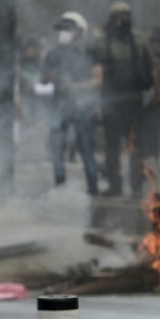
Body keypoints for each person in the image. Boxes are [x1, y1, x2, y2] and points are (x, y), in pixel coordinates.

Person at [91, 1, 160, 197]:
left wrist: (157, 94)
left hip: (133, 101)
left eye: (127, 15)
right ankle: (116, 186)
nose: (124, 19)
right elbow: (95, 72)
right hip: (112, 102)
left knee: (135, 147)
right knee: (113, 148)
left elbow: (154, 68)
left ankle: (135, 187)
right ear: (112, 19)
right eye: (120, 16)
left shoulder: (139, 40)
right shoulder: (102, 42)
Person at [41, 11, 100, 195]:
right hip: (59, 107)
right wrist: (49, 77)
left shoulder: (89, 52)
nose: (63, 33)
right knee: (57, 151)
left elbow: (97, 79)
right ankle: (60, 189)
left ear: (79, 31)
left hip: (82, 107)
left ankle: (93, 189)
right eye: (62, 29)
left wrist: (75, 86)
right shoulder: (53, 53)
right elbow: (43, 80)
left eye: (67, 29)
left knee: (86, 151)